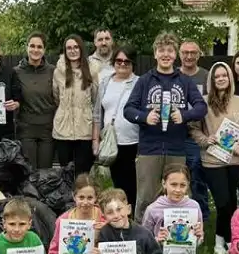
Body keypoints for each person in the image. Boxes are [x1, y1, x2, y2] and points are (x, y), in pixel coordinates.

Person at [124, 33, 208, 222]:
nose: (165, 54)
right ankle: (143, 240)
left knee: (176, 197)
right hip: (149, 149)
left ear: (175, 54)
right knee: (146, 197)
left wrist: (184, 115)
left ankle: (176, 240)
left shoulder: (184, 81)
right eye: (161, 50)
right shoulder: (145, 80)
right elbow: (128, 110)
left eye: (170, 51)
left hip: (176, 149)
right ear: (155, 54)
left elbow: (202, 107)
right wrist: (145, 117)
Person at [190, 62, 239, 254]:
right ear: (212, 80)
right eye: (217, 77)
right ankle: (218, 241)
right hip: (212, 160)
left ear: (230, 77)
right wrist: (205, 140)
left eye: (224, 75)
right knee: (223, 201)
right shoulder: (203, 102)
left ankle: (230, 239)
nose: (221, 79)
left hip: (235, 160)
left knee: (232, 202)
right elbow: (193, 128)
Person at [141, 165, 221, 254]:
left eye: (182, 185)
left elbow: (198, 241)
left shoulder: (194, 206)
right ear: (164, 184)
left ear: (188, 186)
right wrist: (157, 240)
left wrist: (198, 236)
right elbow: (143, 244)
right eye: (173, 184)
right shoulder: (153, 209)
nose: (178, 190)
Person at [46, 174, 105, 254]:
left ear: (96, 198)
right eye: (81, 197)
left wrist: (104, 233)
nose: (85, 202)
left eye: (90, 197)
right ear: (74, 197)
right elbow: (53, 253)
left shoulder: (103, 219)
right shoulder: (63, 220)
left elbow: (113, 250)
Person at [93, 45, 139, 206]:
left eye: (127, 61)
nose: (122, 64)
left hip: (133, 141)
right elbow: (97, 113)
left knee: (133, 185)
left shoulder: (139, 83)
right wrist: (95, 139)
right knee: (117, 183)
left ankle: (131, 219)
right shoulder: (105, 82)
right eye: (119, 60)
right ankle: (119, 214)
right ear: (114, 62)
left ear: (133, 63)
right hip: (111, 141)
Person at [53, 34, 100, 175]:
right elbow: (56, 97)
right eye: (69, 48)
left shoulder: (92, 71)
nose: (72, 51)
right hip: (63, 130)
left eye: (75, 47)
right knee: (65, 174)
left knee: (82, 174)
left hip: (84, 130)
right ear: (65, 51)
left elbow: (95, 98)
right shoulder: (58, 72)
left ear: (81, 49)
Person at [178, 39, 211, 220]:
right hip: (175, 134)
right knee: (176, 176)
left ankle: (202, 217)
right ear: (179, 54)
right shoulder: (173, 75)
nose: (189, 56)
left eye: (193, 53)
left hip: (197, 135)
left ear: (199, 55)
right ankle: (177, 215)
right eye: (185, 52)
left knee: (197, 175)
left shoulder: (206, 77)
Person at [15, 32, 57, 169]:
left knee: (46, 171)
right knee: (29, 171)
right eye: (32, 46)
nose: (35, 50)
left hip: (47, 128)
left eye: (39, 47)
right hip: (26, 128)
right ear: (27, 47)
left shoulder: (53, 71)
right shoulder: (16, 72)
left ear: (44, 50)